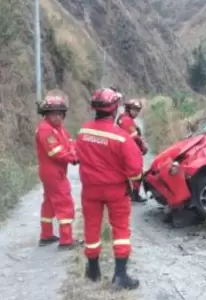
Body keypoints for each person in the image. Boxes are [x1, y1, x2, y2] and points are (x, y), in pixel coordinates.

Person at [76, 88, 143, 290]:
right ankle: (120, 275)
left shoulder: (83, 131)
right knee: (121, 229)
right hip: (115, 191)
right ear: (114, 109)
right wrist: (135, 185)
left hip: (90, 190)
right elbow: (135, 170)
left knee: (91, 227)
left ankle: (93, 270)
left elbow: (79, 155)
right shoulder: (122, 137)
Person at [35, 89, 80, 250]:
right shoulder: (46, 129)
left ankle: (46, 235)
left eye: (60, 113)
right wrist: (73, 158)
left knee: (49, 203)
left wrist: (74, 152)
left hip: (54, 172)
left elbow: (70, 142)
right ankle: (66, 240)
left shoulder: (58, 128)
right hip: (53, 173)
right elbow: (56, 152)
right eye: (54, 113)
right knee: (64, 202)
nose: (58, 116)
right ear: (46, 114)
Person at [117, 98, 148, 203]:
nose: (136, 112)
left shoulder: (125, 119)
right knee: (136, 173)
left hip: (127, 150)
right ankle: (133, 195)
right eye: (134, 109)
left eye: (137, 110)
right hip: (129, 151)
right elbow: (134, 137)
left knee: (130, 174)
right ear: (128, 108)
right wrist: (143, 146)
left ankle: (130, 194)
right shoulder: (126, 120)